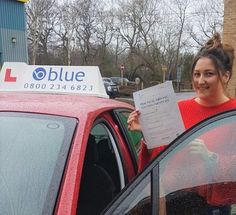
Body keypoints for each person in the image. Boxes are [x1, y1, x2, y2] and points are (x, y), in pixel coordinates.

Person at [127, 32, 236, 214]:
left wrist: (210, 157)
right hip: (174, 201)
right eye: (196, 74)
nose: (200, 81)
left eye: (208, 74)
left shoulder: (232, 114)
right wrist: (146, 133)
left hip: (212, 207)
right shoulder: (177, 108)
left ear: (225, 76)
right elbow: (159, 156)